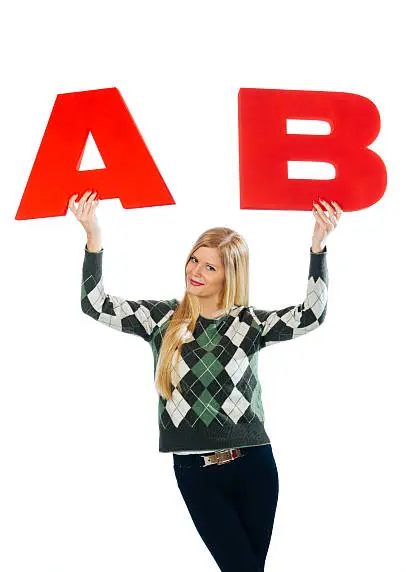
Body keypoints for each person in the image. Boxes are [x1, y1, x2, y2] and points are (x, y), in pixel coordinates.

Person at [69, 190, 342, 572]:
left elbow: (311, 315)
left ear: (230, 274)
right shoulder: (162, 319)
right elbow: (94, 304)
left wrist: (318, 246)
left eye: (209, 267)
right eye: (194, 260)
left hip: (255, 465)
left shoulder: (249, 323)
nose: (195, 271)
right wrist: (93, 235)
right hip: (197, 474)